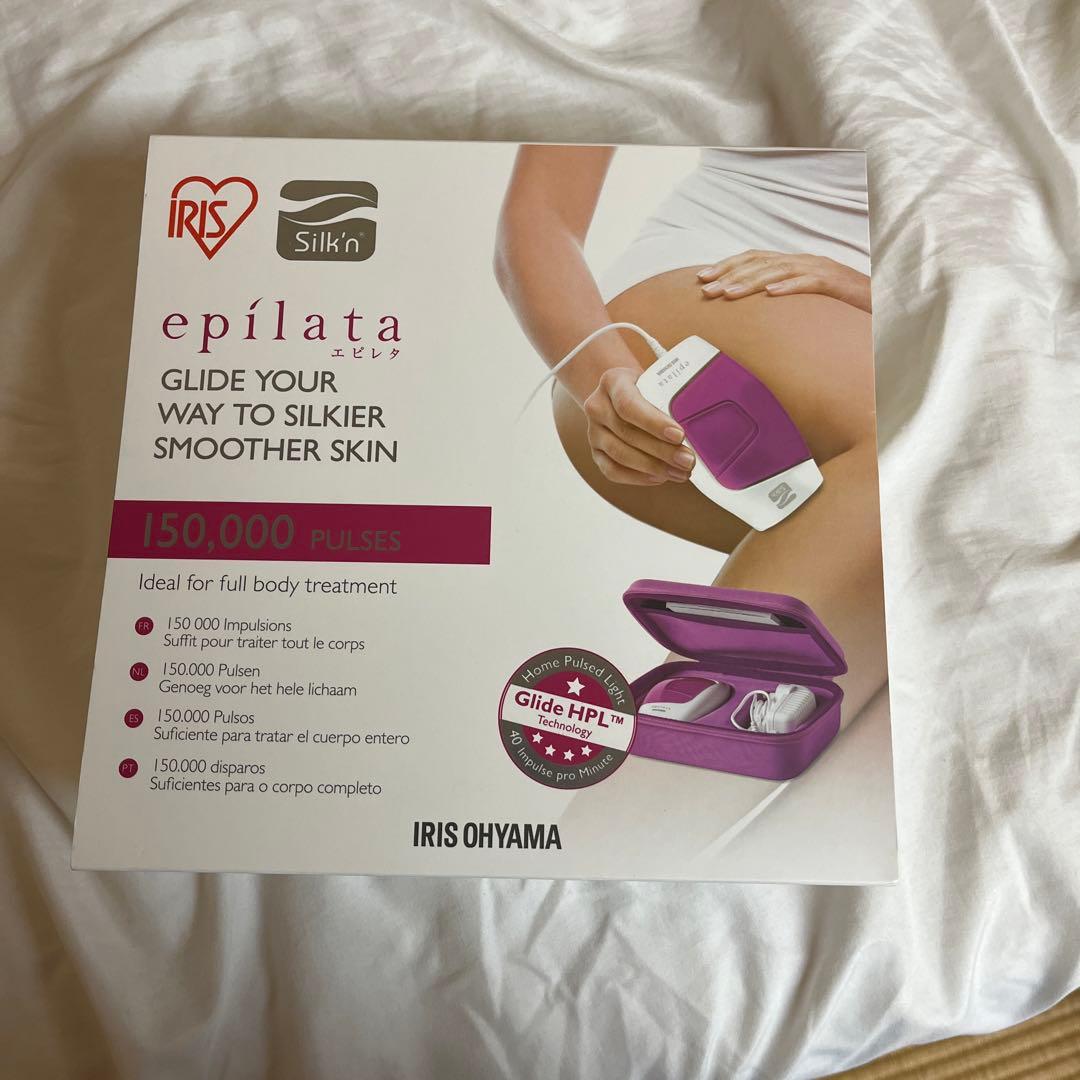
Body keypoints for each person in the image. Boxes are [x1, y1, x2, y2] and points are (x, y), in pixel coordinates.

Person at [495, 145, 885, 719]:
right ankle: (706, 731)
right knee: (930, 429)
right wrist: (605, 373)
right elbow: (539, 217)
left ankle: (687, 736)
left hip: (908, 319)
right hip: (700, 294)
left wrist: (885, 292)